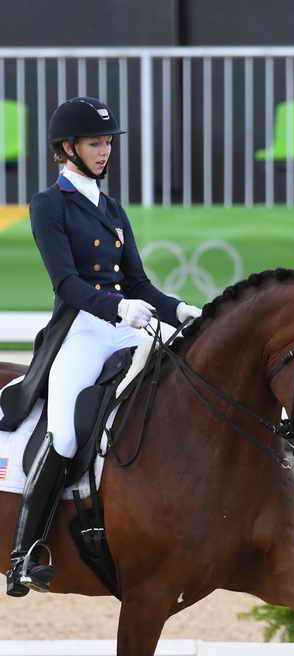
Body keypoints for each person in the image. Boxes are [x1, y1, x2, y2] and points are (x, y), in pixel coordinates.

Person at [0, 96, 201, 598]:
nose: (105, 151)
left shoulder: (112, 209)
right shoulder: (50, 204)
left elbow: (139, 283)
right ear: (67, 148)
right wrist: (117, 308)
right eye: (95, 143)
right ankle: (25, 554)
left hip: (126, 324)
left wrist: (182, 311)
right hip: (82, 330)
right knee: (66, 433)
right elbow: (66, 283)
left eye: (108, 143)